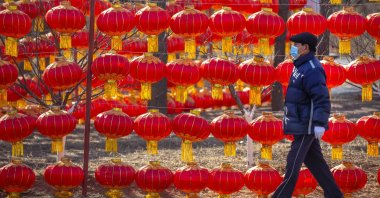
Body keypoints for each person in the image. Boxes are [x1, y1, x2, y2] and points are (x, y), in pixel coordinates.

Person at [272, 32, 343, 198]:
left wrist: (319, 122)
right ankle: (334, 195)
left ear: (305, 47)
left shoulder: (312, 68)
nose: (293, 48)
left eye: (296, 45)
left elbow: (321, 97)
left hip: (307, 125)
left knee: (292, 166)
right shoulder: (301, 65)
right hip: (302, 122)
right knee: (316, 163)